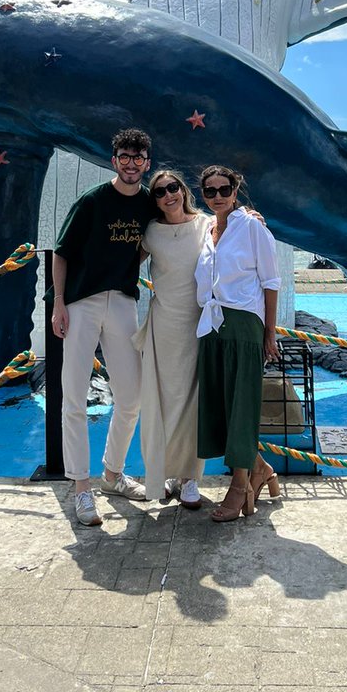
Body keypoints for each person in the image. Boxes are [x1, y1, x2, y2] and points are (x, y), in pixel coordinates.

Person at [51, 128, 155, 526]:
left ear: (147, 163)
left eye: (138, 158)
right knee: (74, 396)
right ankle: (81, 486)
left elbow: (180, 221)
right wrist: (59, 303)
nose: (131, 164)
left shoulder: (149, 203)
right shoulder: (92, 201)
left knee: (131, 396)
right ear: (114, 161)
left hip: (123, 301)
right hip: (82, 301)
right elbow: (61, 253)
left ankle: (112, 474)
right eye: (124, 157)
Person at [194, 165, 281, 522]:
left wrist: (269, 332)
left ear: (235, 190)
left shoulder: (252, 227)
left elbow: (271, 281)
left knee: (242, 405)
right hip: (211, 325)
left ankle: (240, 485)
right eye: (210, 191)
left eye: (224, 189)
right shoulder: (205, 230)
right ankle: (260, 469)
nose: (217, 196)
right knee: (220, 405)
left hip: (244, 322)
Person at [135, 169, 207, 508]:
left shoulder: (206, 225)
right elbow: (120, 262)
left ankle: (190, 477)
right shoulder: (151, 232)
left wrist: (251, 216)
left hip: (198, 324)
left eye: (172, 187)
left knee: (193, 401)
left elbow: (238, 238)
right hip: (163, 325)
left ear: (183, 190)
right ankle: (163, 471)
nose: (168, 195)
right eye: (160, 192)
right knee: (161, 400)